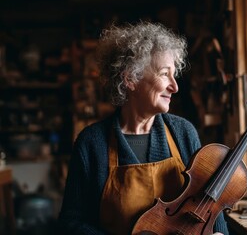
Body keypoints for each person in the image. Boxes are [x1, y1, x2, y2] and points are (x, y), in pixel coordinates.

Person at [58, 21, 229, 235]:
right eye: (164, 73)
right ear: (131, 78)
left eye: (174, 75)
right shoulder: (92, 143)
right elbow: (71, 223)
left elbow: (209, 203)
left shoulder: (184, 133)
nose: (174, 86)